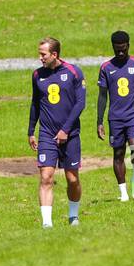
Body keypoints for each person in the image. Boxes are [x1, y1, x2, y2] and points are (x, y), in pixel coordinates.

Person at [28, 37, 86, 226]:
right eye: (39, 54)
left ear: (54, 54)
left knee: (72, 179)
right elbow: (35, 103)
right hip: (46, 133)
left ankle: (73, 215)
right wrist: (31, 131)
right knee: (46, 177)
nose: (40, 58)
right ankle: (47, 224)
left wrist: (65, 130)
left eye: (43, 54)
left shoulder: (73, 72)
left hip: (70, 135)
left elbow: (80, 103)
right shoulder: (37, 75)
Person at [97, 31, 134, 202]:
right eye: (117, 50)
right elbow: (102, 96)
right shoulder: (106, 68)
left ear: (128, 45)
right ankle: (123, 192)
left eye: (123, 49)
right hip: (115, 118)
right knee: (118, 153)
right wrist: (99, 121)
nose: (120, 53)